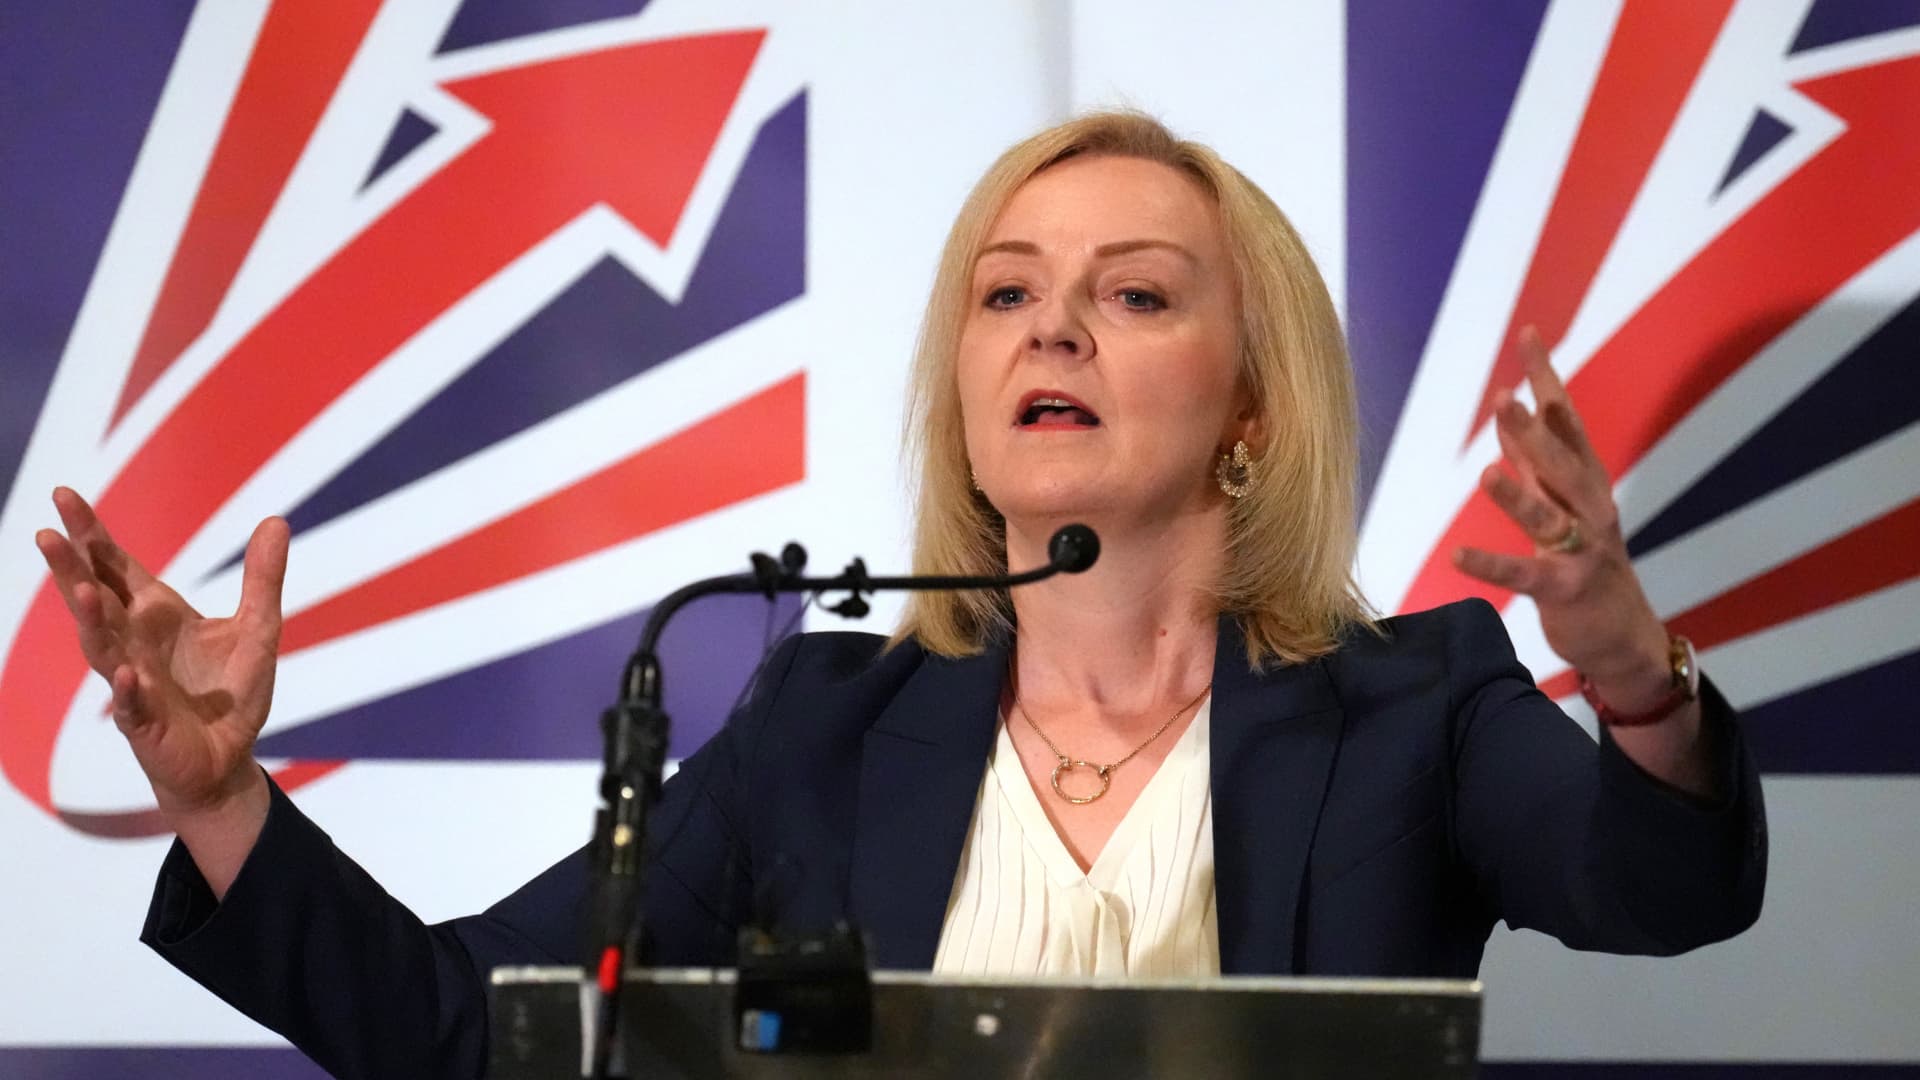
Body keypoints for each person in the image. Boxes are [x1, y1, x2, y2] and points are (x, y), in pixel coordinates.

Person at [34, 112, 1764, 1079]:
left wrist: (1636, 682)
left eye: (1134, 295)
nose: (1051, 326)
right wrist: (221, 799)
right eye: (1006, 294)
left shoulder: (1413, 708)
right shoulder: (825, 728)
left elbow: (1669, 890)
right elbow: (474, 1038)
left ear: (1255, 407)